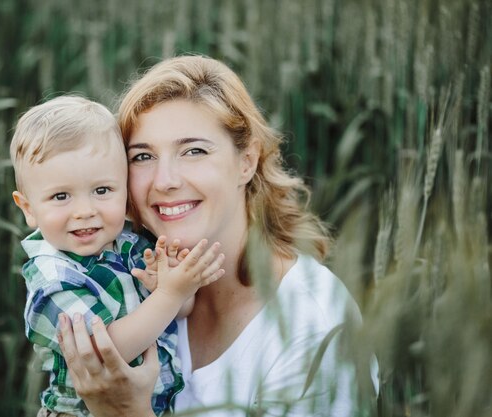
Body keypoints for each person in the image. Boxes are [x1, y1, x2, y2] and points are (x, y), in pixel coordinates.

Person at [57, 56, 376, 417]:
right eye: (143, 156)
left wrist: (124, 412)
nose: (165, 181)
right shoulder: (128, 287)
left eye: (194, 151)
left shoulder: (314, 325)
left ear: (247, 161)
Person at [9, 95, 225, 417]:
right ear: (28, 208)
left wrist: (171, 287)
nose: (85, 212)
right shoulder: (53, 279)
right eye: (61, 196)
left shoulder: (129, 244)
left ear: (125, 192)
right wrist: (168, 294)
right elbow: (106, 352)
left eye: (102, 191)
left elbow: (178, 312)